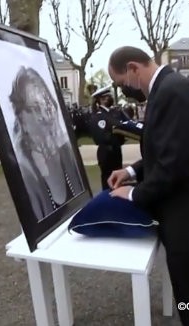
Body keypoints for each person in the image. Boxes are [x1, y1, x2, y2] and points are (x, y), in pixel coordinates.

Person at [106, 46, 189, 326]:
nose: (124, 90)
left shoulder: (170, 93)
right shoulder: (170, 88)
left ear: (133, 69)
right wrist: (130, 170)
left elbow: (171, 167)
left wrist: (133, 194)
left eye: (122, 83)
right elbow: (166, 149)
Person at [9, 66, 84, 220]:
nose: (46, 116)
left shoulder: (66, 152)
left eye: (47, 104)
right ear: (22, 119)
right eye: (36, 108)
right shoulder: (24, 172)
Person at [88, 85, 126, 190]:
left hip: (116, 151)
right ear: (101, 99)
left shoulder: (114, 112)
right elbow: (99, 137)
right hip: (106, 153)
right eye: (107, 97)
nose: (110, 98)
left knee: (118, 181)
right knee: (108, 182)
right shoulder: (98, 116)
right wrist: (114, 136)